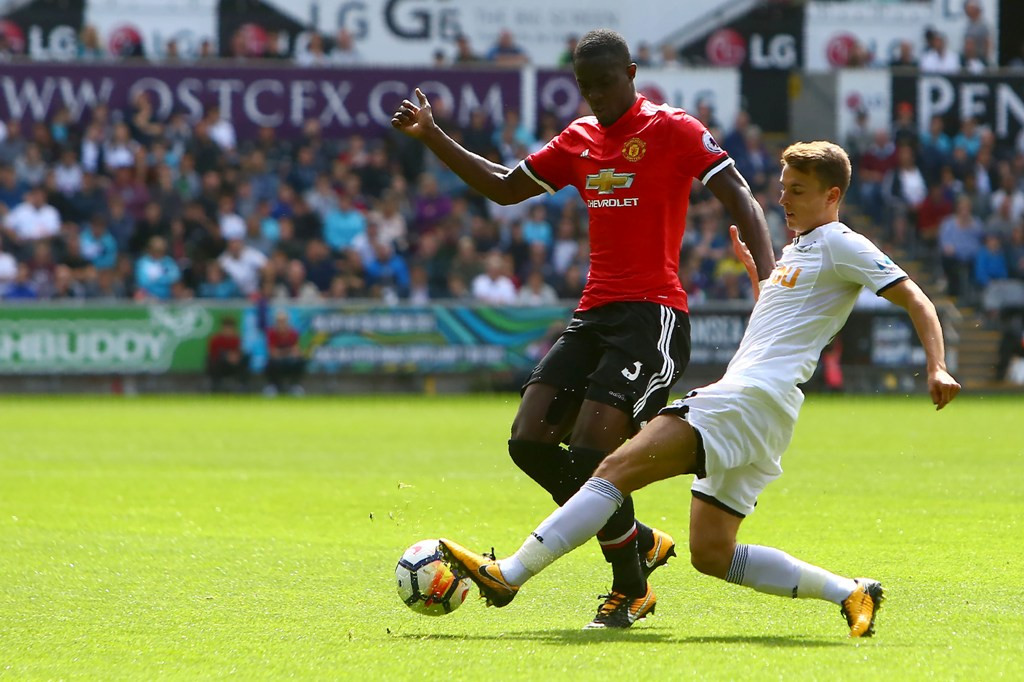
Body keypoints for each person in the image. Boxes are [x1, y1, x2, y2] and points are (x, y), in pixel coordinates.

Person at [439, 140, 961, 637]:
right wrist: (760, 281)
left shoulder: (840, 242)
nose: (784, 199)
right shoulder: (800, 250)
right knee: (712, 554)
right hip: (767, 411)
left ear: (832, 195)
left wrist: (936, 366)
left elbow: (916, 298)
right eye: (782, 188)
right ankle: (852, 592)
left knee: (612, 469)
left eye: (798, 190)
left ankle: (509, 574)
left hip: (749, 399)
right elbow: (784, 324)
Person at [391, 28, 775, 628]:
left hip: (652, 317)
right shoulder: (579, 139)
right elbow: (505, 188)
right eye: (585, 86)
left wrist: (770, 278)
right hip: (593, 314)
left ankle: (631, 587)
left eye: (605, 82)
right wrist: (433, 135)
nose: (595, 95)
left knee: (596, 451)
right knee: (529, 442)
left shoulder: (671, 128)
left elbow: (740, 194)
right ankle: (637, 539)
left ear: (632, 73)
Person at [264, 310, 306, 396]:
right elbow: (272, 352)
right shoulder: (272, 333)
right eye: (279, 321)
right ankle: (273, 386)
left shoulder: (292, 333)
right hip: (277, 361)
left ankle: (294, 386)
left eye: (283, 321)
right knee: (270, 363)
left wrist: (283, 352)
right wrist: (288, 351)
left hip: (289, 361)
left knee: (300, 361)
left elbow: (297, 351)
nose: (281, 323)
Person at [206, 316, 249, 392]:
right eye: (226, 328)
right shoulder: (216, 340)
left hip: (234, 365)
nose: (228, 331)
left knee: (246, 358)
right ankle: (216, 385)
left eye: (230, 328)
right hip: (220, 366)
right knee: (215, 361)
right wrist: (226, 357)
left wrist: (235, 357)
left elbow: (239, 352)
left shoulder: (236, 339)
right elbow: (213, 355)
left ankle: (242, 385)